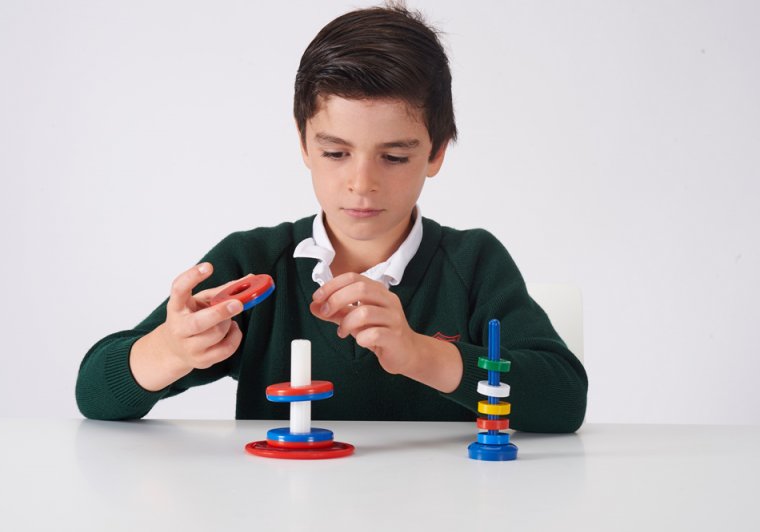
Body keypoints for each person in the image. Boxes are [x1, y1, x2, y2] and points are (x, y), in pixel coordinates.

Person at [75, 3, 587, 433]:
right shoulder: (254, 261)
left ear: (436, 153)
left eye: (394, 156)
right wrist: (172, 348)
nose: (361, 183)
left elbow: (564, 399)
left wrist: (419, 354)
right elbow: (95, 393)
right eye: (336, 153)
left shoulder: (473, 263)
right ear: (303, 143)